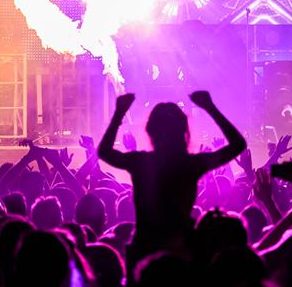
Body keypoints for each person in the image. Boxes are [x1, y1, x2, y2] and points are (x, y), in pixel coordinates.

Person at [97, 91, 246, 265]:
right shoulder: (190, 164)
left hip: (145, 248)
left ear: (150, 131)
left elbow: (104, 152)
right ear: (184, 131)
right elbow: (238, 144)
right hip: (182, 250)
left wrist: (119, 113)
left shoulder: (141, 162)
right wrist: (210, 108)